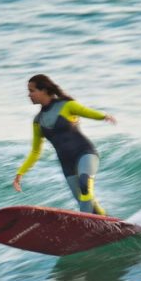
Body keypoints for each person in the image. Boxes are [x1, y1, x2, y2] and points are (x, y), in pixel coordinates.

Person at [13, 74, 117, 215]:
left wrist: (104, 116)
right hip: (66, 163)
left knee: (84, 184)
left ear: (43, 90)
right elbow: (35, 151)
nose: (29, 95)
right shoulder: (38, 121)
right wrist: (20, 173)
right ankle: (111, 224)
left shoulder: (67, 106)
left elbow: (86, 111)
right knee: (85, 201)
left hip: (85, 154)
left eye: (32, 91)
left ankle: (84, 227)